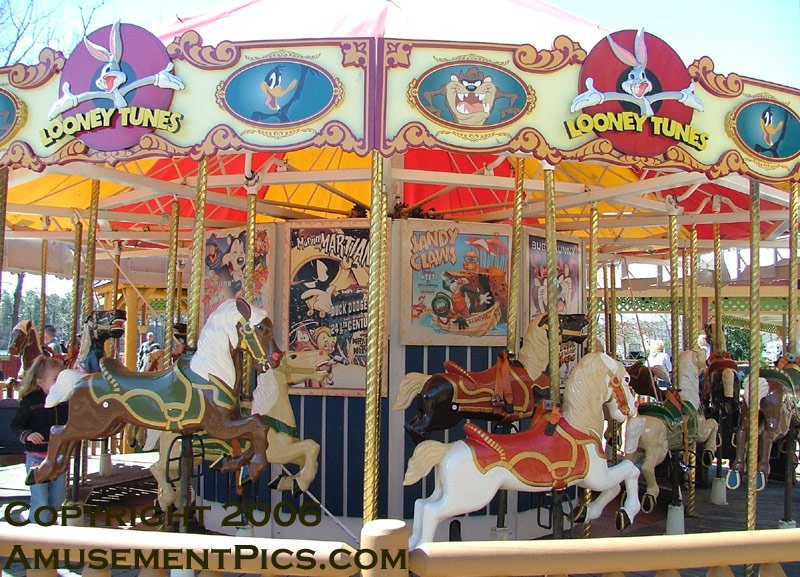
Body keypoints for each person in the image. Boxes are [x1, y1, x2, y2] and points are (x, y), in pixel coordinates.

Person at [10, 355, 68, 525]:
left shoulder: (65, 401)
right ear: (41, 382)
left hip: (58, 457)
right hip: (37, 458)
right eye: (56, 380)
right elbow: (15, 425)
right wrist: (27, 434)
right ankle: (38, 530)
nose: (60, 384)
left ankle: (35, 517)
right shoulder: (30, 402)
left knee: (58, 499)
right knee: (41, 499)